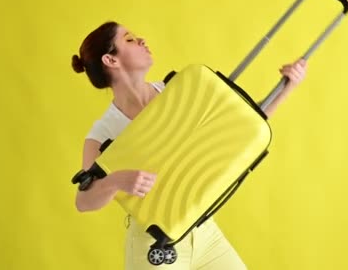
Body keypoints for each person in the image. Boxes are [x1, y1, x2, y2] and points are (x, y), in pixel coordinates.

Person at [71, 21, 307, 269]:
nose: (142, 41)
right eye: (129, 39)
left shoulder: (179, 90)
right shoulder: (104, 131)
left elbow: (238, 128)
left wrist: (286, 88)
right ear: (111, 60)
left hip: (204, 233)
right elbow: (83, 201)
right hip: (154, 244)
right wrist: (116, 181)